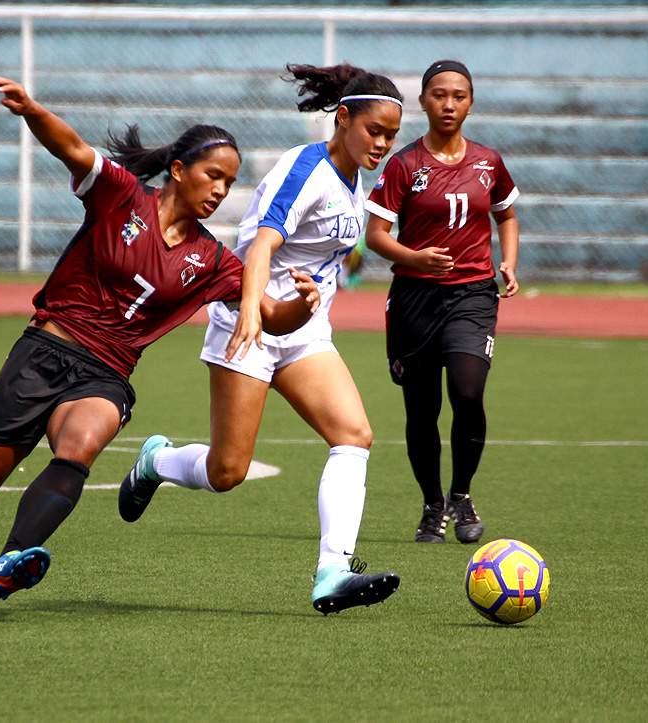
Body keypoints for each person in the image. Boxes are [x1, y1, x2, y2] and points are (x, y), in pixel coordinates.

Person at [0, 75, 318, 601]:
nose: (220, 191)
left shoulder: (213, 259)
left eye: (228, 183)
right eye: (213, 176)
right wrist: (32, 108)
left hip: (106, 374)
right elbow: (74, 149)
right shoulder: (122, 197)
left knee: (78, 450)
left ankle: (14, 557)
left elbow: (269, 315)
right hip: (44, 351)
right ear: (177, 170)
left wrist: (301, 309)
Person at [118, 63, 404, 615]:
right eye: (375, 131)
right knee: (228, 472)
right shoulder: (307, 170)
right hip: (250, 324)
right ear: (342, 119)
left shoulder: (352, 176)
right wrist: (251, 308)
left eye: (392, 135)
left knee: (354, 435)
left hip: (303, 331)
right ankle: (157, 461)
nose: (384, 144)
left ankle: (332, 571)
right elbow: (261, 248)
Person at [364, 60, 521, 544]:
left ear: (470, 102)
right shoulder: (404, 164)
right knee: (422, 409)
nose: (448, 104)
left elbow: (507, 214)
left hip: (473, 294)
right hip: (415, 299)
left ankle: (462, 494)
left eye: (458, 95)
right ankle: (432, 504)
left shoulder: (488, 161)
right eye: (438, 95)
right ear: (423, 101)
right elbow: (375, 236)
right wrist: (415, 257)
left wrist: (509, 262)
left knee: (468, 392)